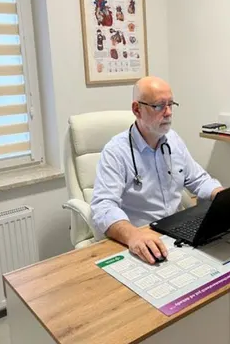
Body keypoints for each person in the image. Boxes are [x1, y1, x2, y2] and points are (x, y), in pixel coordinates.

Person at [91, 76, 223, 264]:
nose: (168, 113)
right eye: (159, 106)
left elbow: (198, 180)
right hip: (140, 239)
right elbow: (103, 207)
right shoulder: (116, 152)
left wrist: (225, 196)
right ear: (137, 109)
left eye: (171, 104)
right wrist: (133, 236)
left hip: (176, 232)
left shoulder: (173, 140)